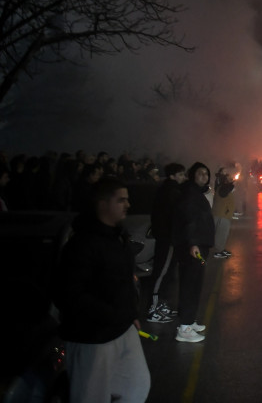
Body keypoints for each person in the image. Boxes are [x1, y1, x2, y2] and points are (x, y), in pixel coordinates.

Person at [53, 178, 151, 403]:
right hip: (92, 338)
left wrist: (130, 314)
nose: (127, 205)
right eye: (121, 200)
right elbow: (69, 295)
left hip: (121, 329)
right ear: (102, 204)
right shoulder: (82, 244)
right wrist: (113, 314)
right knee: (91, 396)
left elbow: (123, 281)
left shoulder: (117, 237)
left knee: (135, 386)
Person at [172, 162, 215, 343]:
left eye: (206, 173)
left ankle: (189, 320)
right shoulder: (190, 193)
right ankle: (185, 328)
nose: (204, 176)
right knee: (190, 284)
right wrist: (193, 243)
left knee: (194, 283)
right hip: (193, 247)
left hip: (198, 244)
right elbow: (190, 220)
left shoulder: (195, 192)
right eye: (200, 173)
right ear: (192, 175)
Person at [146, 162, 186, 323]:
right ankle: (153, 309)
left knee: (167, 273)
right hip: (167, 238)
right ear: (172, 176)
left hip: (167, 237)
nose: (183, 177)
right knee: (161, 272)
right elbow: (173, 216)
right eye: (181, 174)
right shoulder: (171, 191)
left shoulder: (169, 190)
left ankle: (161, 304)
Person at [211, 167, 236, 259]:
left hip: (224, 215)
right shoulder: (223, 188)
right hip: (222, 215)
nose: (231, 179)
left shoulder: (224, 187)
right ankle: (218, 251)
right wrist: (231, 185)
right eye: (229, 179)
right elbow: (224, 192)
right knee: (220, 234)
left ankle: (221, 248)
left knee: (224, 234)